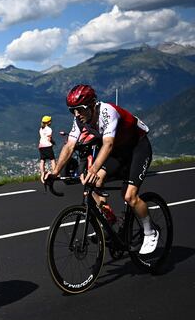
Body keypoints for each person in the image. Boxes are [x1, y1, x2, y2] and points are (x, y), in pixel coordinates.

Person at [42, 84, 158, 254]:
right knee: (93, 184)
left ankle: (150, 232)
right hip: (118, 152)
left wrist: (93, 169)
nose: (76, 114)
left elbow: (108, 144)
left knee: (130, 196)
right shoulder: (79, 120)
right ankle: (109, 221)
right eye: (72, 110)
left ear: (92, 104)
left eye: (80, 109)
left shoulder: (107, 112)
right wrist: (55, 172)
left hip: (137, 147)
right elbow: (69, 146)